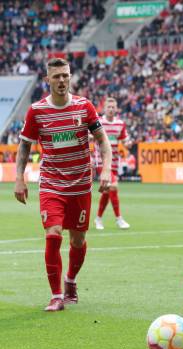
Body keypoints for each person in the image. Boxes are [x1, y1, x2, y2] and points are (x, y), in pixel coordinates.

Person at [14, 58, 112, 312]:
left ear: (70, 77)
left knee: (77, 240)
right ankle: (56, 295)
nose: (61, 80)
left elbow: (103, 141)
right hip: (51, 184)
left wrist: (107, 169)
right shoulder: (36, 111)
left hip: (80, 184)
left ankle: (70, 281)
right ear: (48, 80)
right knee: (53, 233)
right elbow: (24, 145)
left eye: (65, 76)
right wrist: (19, 178)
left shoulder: (84, 107)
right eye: (56, 76)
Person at [94, 97, 130, 230]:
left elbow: (125, 140)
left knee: (107, 192)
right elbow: (89, 135)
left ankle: (98, 219)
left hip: (114, 163)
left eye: (113, 107)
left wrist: (128, 143)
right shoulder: (98, 122)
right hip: (101, 162)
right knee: (113, 186)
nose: (111, 109)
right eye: (108, 107)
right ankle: (119, 219)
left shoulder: (120, 124)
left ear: (116, 109)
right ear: (104, 109)